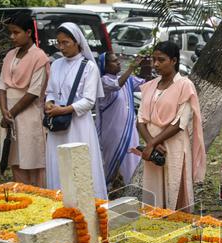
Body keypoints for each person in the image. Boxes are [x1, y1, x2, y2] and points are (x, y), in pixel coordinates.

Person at [136, 41, 205, 210]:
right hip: (153, 148)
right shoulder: (151, 85)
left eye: (161, 60)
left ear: (174, 61)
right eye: (154, 60)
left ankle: (177, 226)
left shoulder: (185, 85)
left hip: (172, 145)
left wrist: (151, 144)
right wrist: (152, 142)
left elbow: (179, 123)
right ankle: (155, 226)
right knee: (154, 188)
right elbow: (140, 120)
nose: (156, 64)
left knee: (174, 186)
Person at [43, 22, 104, 196]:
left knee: (79, 166)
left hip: (78, 125)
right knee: (58, 163)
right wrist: (50, 103)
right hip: (58, 126)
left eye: (66, 43)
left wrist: (63, 110)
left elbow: (88, 101)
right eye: (59, 43)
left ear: (77, 42)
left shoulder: (89, 67)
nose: (61, 47)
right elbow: (51, 92)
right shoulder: (56, 65)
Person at [0, 13, 50, 187]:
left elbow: (34, 92)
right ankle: (21, 199)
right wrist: (4, 111)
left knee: (33, 160)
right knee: (16, 160)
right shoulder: (10, 55)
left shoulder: (39, 57)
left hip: (29, 115)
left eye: (16, 32)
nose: (12, 37)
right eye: (10, 33)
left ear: (28, 32)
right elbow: (2, 86)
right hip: (9, 116)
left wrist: (10, 113)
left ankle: (39, 202)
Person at [96, 52, 143, 190]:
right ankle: (113, 192)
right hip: (112, 134)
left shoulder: (127, 79)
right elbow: (117, 85)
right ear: (105, 66)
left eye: (118, 60)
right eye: (114, 61)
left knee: (132, 160)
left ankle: (132, 190)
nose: (118, 63)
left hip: (130, 131)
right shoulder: (103, 81)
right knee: (114, 164)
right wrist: (131, 68)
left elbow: (145, 85)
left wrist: (148, 68)